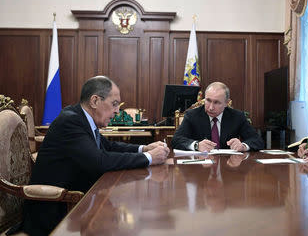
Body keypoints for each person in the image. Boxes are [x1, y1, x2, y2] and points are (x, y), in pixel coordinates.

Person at [22, 76, 170, 236]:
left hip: (77, 199)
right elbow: (99, 161)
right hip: (55, 210)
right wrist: (149, 158)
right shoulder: (70, 121)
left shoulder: (82, 119)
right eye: (114, 104)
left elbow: (109, 146)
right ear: (94, 101)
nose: (117, 111)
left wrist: (144, 148)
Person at [171, 82, 264, 152]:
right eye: (208, 100)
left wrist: (243, 146)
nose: (211, 107)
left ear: (226, 103)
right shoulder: (192, 115)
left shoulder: (237, 116)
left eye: (216, 102)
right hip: (200, 168)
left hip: (229, 168)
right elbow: (176, 140)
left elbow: (257, 140)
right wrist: (196, 145)